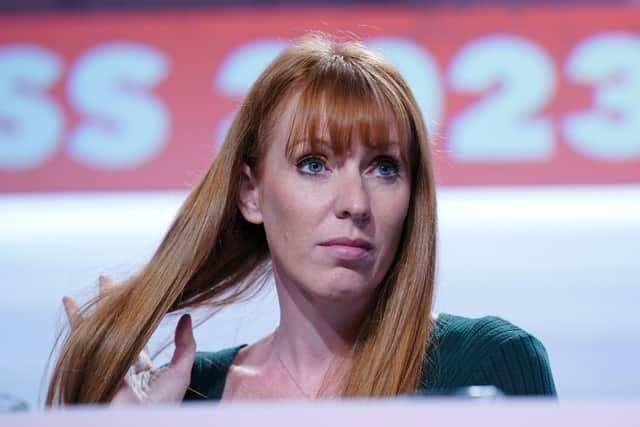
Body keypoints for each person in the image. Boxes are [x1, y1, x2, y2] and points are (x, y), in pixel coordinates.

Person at [47, 33, 556, 405]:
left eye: (383, 168)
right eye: (314, 164)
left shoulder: (490, 365)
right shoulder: (189, 395)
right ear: (250, 194)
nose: (355, 202)